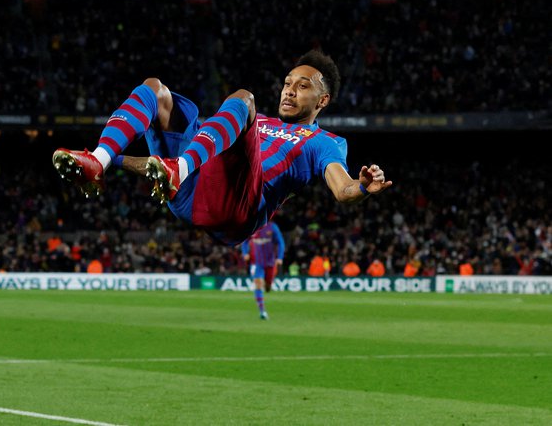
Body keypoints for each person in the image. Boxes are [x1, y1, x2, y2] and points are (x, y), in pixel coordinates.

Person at [53, 50, 392, 248]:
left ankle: (179, 168)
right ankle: (98, 159)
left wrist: (362, 187)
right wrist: (115, 162)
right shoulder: (256, 124)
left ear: (323, 100)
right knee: (155, 91)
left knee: (243, 99)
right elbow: (159, 166)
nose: (289, 91)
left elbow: (343, 189)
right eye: (287, 83)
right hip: (191, 189)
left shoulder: (325, 143)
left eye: (302, 87)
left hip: (236, 207)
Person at [241, 221, 285, 320]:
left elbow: (280, 242)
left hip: (270, 262)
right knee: (258, 284)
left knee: (268, 287)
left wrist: (280, 257)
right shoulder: (252, 227)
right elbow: (244, 242)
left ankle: (268, 285)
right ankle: (262, 312)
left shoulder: (272, 227)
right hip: (257, 263)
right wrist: (245, 253)